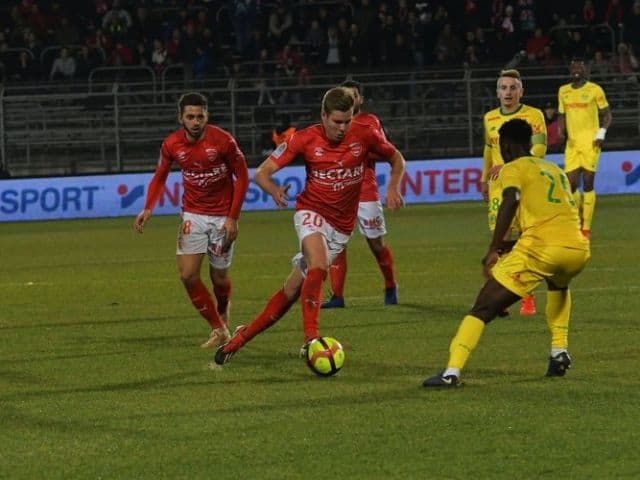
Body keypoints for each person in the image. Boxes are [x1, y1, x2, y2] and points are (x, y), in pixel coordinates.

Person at [213, 86, 406, 366]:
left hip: (341, 227)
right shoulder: (304, 139)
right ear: (323, 116)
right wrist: (274, 189)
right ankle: (311, 340)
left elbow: (396, 158)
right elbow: (262, 173)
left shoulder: (365, 134)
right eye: (336, 122)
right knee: (318, 265)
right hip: (311, 211)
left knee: (291, 291)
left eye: (347, 121)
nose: (342, 128)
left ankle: (241, 338)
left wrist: (393, 187)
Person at [423, 119, 591, 388]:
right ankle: (559, 351)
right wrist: (507, 246)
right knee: (558, 283)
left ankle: (451, 372)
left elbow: (510, 199)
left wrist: (493, 247)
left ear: (506, 145)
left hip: (542, 250)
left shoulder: (512, 168)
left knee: (482, 308)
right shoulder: (553, 169)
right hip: (577, 249)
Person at [134, 92, 250, 350]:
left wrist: (233, 218)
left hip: (222, 218)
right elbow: (160, 176)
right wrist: (148, 208)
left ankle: (223, 311)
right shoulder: (171, 144)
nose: (196, 121)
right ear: (181, 118)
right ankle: (218, 329)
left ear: (207, 116)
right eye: (190, 117)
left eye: (200, 116)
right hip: (193, 215)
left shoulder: (224, 141)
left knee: (219, 278)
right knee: (187, 274)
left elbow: (242, 177)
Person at [322, 79, 399, 309]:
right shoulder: (334, 124)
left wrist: (360, 152)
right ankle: (337, 296)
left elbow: (384, 152)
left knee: (376, 244)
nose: (351, 98)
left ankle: (390, 285)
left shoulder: (369, 122)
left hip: (366, 191)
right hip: (339, 193)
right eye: (346, 94)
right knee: (337, 245)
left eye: (354, 94)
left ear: (360, 99)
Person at [481, 69, 547, 316]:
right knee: (501, 243)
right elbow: (488, 149)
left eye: (512, 87)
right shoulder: (489, 118)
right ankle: (504, 297)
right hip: (499, 188)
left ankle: (526, 296)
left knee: (522, 242)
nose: (508, 92)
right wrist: (484, 178)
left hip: (526, 184)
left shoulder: (533, 115)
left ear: (521, 91)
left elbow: (540, 148)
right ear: (497, 92)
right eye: (503, 88)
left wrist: (510, 165)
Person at [557, 57, 612, 239]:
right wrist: (561, 131)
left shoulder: (595, 90)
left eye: (579, 66)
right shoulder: (563, 91)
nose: (576, 70)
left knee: (588, 185)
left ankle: (585, 228)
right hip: (572, 145)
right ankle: (579, 216)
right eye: (573, 67)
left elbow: (607, 115)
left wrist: (601, 132)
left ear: (585, 69)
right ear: (570, 70)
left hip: (590, 144)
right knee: (571, 185)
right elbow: (561, 115)